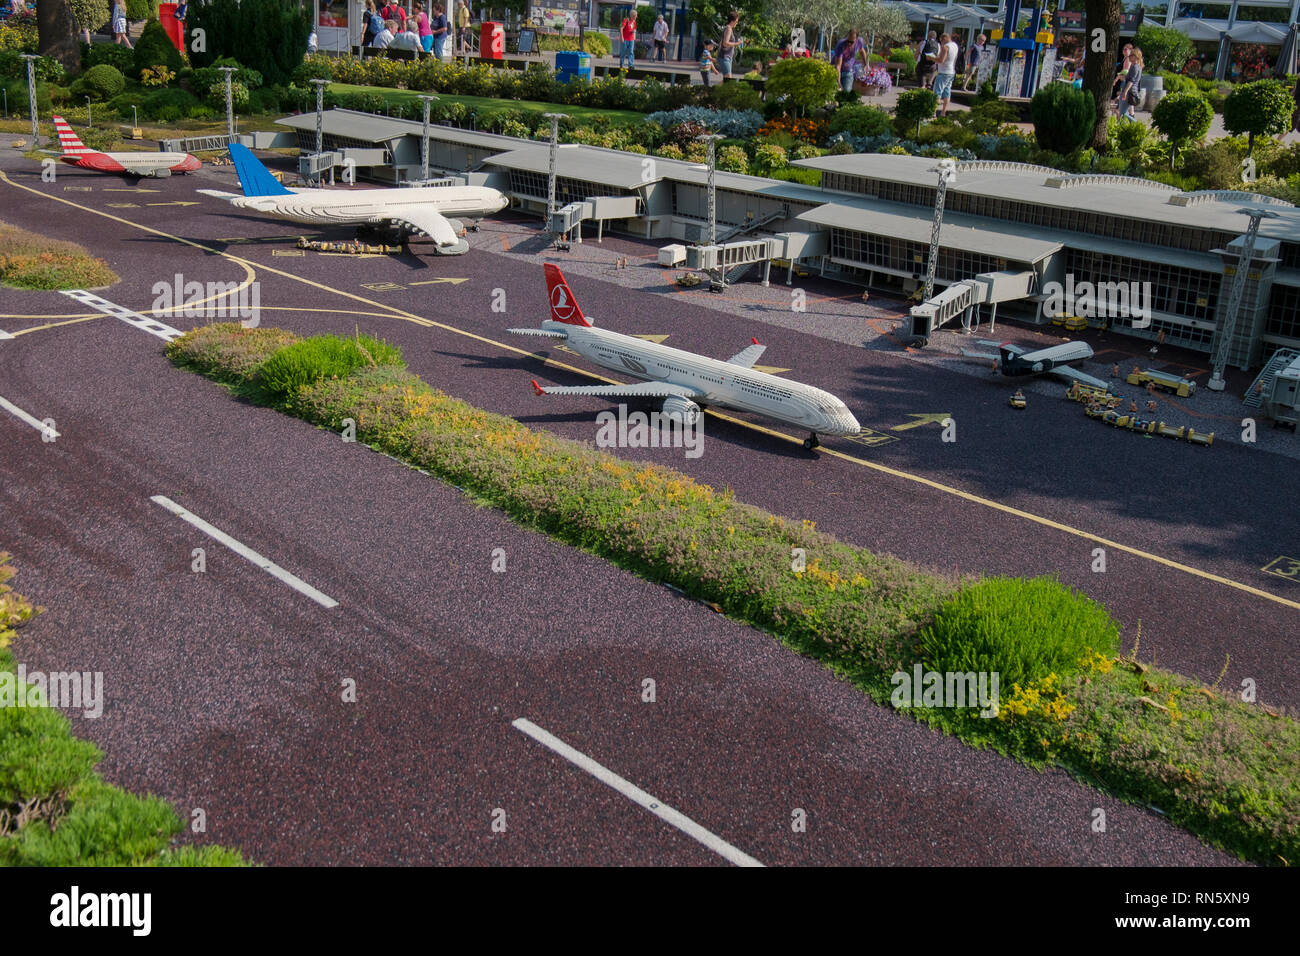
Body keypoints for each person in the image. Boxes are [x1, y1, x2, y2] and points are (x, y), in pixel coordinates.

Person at [831, 28, 867, 94]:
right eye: (848, 41)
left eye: (851, 42)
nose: (849, 44)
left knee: (847, 92)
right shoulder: (841, 45)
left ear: (856, 39)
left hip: (848, 70)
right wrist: (839, 83)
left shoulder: (860, 41)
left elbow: (862, 51)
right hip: (836, 70)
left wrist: (865, 64)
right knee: (836, 93)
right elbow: (838, 66)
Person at [933, 32, 959, 116]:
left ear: (944, 39)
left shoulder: (946, 47)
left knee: (937, 92)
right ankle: (943, 112)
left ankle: (933, 112)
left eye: (941, 41)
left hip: (943, 72)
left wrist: (931, 58)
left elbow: (941, 60)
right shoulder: (955, 45)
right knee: (947, 92)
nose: (941, 43)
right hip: (951, 71)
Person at [1118, 47, 1143, 121]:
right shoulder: (1136, 66)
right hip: (1131, 91)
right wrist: (1124, 77)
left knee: (1122, 113)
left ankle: (1135, 123)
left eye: (1131, 55)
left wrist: (1125, 92)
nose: (1129, 56)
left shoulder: (1135, 67)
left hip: (1129, 91)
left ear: (1136, 57)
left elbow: (1131, 81)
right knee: (1122, 112)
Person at [719, 10, 740, 80]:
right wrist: (737, 43)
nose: (737, 23)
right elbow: (725, 43)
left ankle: (714, 90)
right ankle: (712, 89)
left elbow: (721, 43)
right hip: (725, 57)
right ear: (732, 21)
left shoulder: (728, 28)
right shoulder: (728, 28)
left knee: (726, 79)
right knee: (728, 79)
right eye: (736, 21)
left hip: (727, 57)